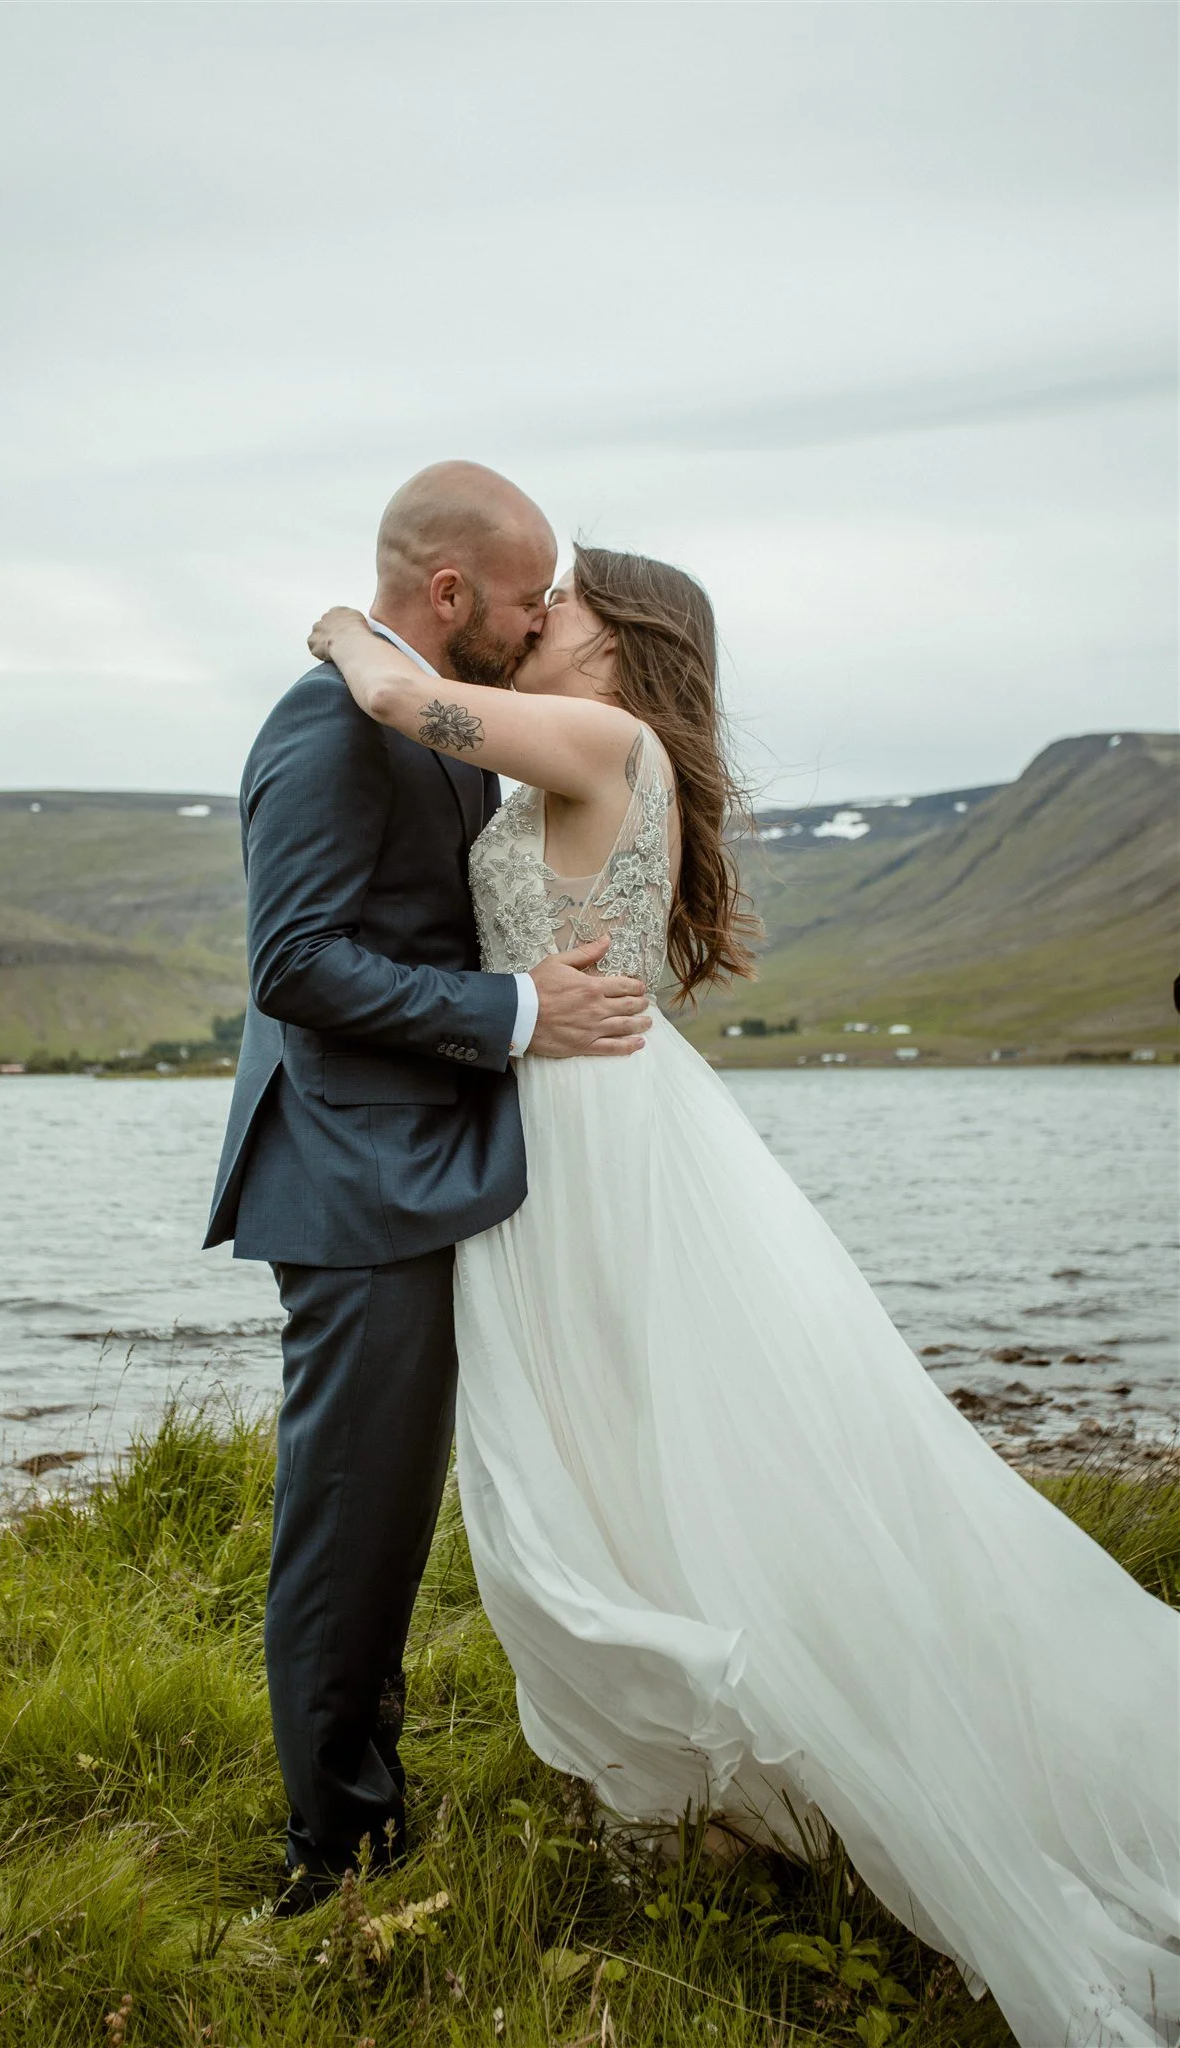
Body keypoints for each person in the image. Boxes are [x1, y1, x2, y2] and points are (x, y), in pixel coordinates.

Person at [307, 546, 1180, 2048]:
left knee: (673, 1463)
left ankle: (745, 1776)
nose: (539, 617)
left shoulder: (609, 739)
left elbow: (393, 691)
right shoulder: (583, 753)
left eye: (562, 604)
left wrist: (341, 624)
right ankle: (721, 1798)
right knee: (631, 1460)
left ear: (621, 643)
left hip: (601, 1144)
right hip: (569, 1128)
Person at [204, 463, 652, 1904]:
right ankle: (333, 1843)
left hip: (444, 1153)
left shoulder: (451, 717)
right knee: (354, 1512)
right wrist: (518, 1012)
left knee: (408, 1506)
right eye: (525, 602)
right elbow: (297, 965)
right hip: (350, 1170)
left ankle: (373, 1796)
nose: (535, 630)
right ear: (449, 591)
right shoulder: (326, 724)